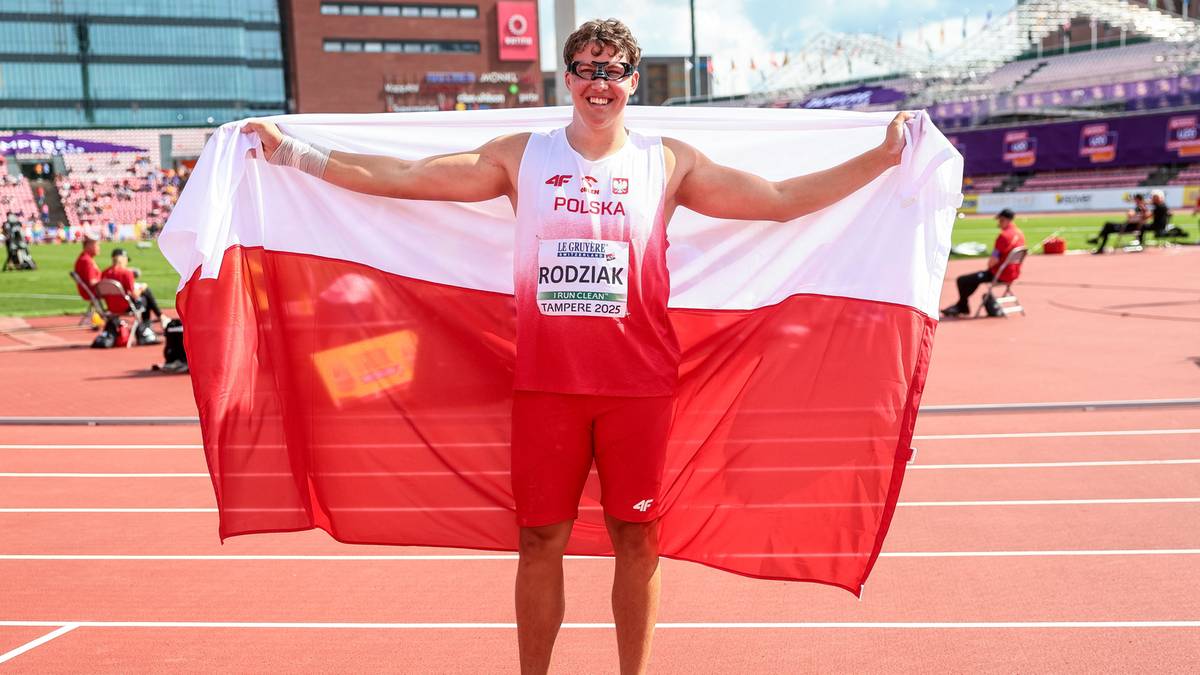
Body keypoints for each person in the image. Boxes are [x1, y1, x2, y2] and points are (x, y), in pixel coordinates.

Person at [243, 18, 912, 675]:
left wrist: (882, 158)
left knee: (637, 539)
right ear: (569, 77)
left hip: (638, 388)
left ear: (632, 80)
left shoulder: (667, 162)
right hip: (547, 386)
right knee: (539, 541)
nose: (600, 83)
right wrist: (296, 155)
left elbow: (780, 198)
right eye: (588, 69)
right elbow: (405, 176)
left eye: (613, 70)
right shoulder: (520, 155)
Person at [942, 208, 1025, 317]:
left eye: (1000, 220)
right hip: (1013, 273)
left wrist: (991, 266)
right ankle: (961, 305)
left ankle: (962, 306)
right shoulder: (1020, 234)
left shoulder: (1004, 236)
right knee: (974, 280)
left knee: (962, 280)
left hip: (999, 274)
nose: (998, 223)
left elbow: (992, 261)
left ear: (1004, 220)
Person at [100, 247, 166, 328]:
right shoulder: (127, 273)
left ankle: (160, 318)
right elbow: (135, 295)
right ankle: (148, 327)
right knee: (145, 296)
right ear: (123, 259)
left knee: (144, 293)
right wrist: (142, 288)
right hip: (126, 308)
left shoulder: (104, 273)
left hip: (111, 308)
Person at [73, 236, 101, 301]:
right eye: (97, 245)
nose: (99, 248)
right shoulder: (86, 261)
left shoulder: (84, 258)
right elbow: (92, 282)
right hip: (92, 291)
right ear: (89, 245)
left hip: (90, 291)